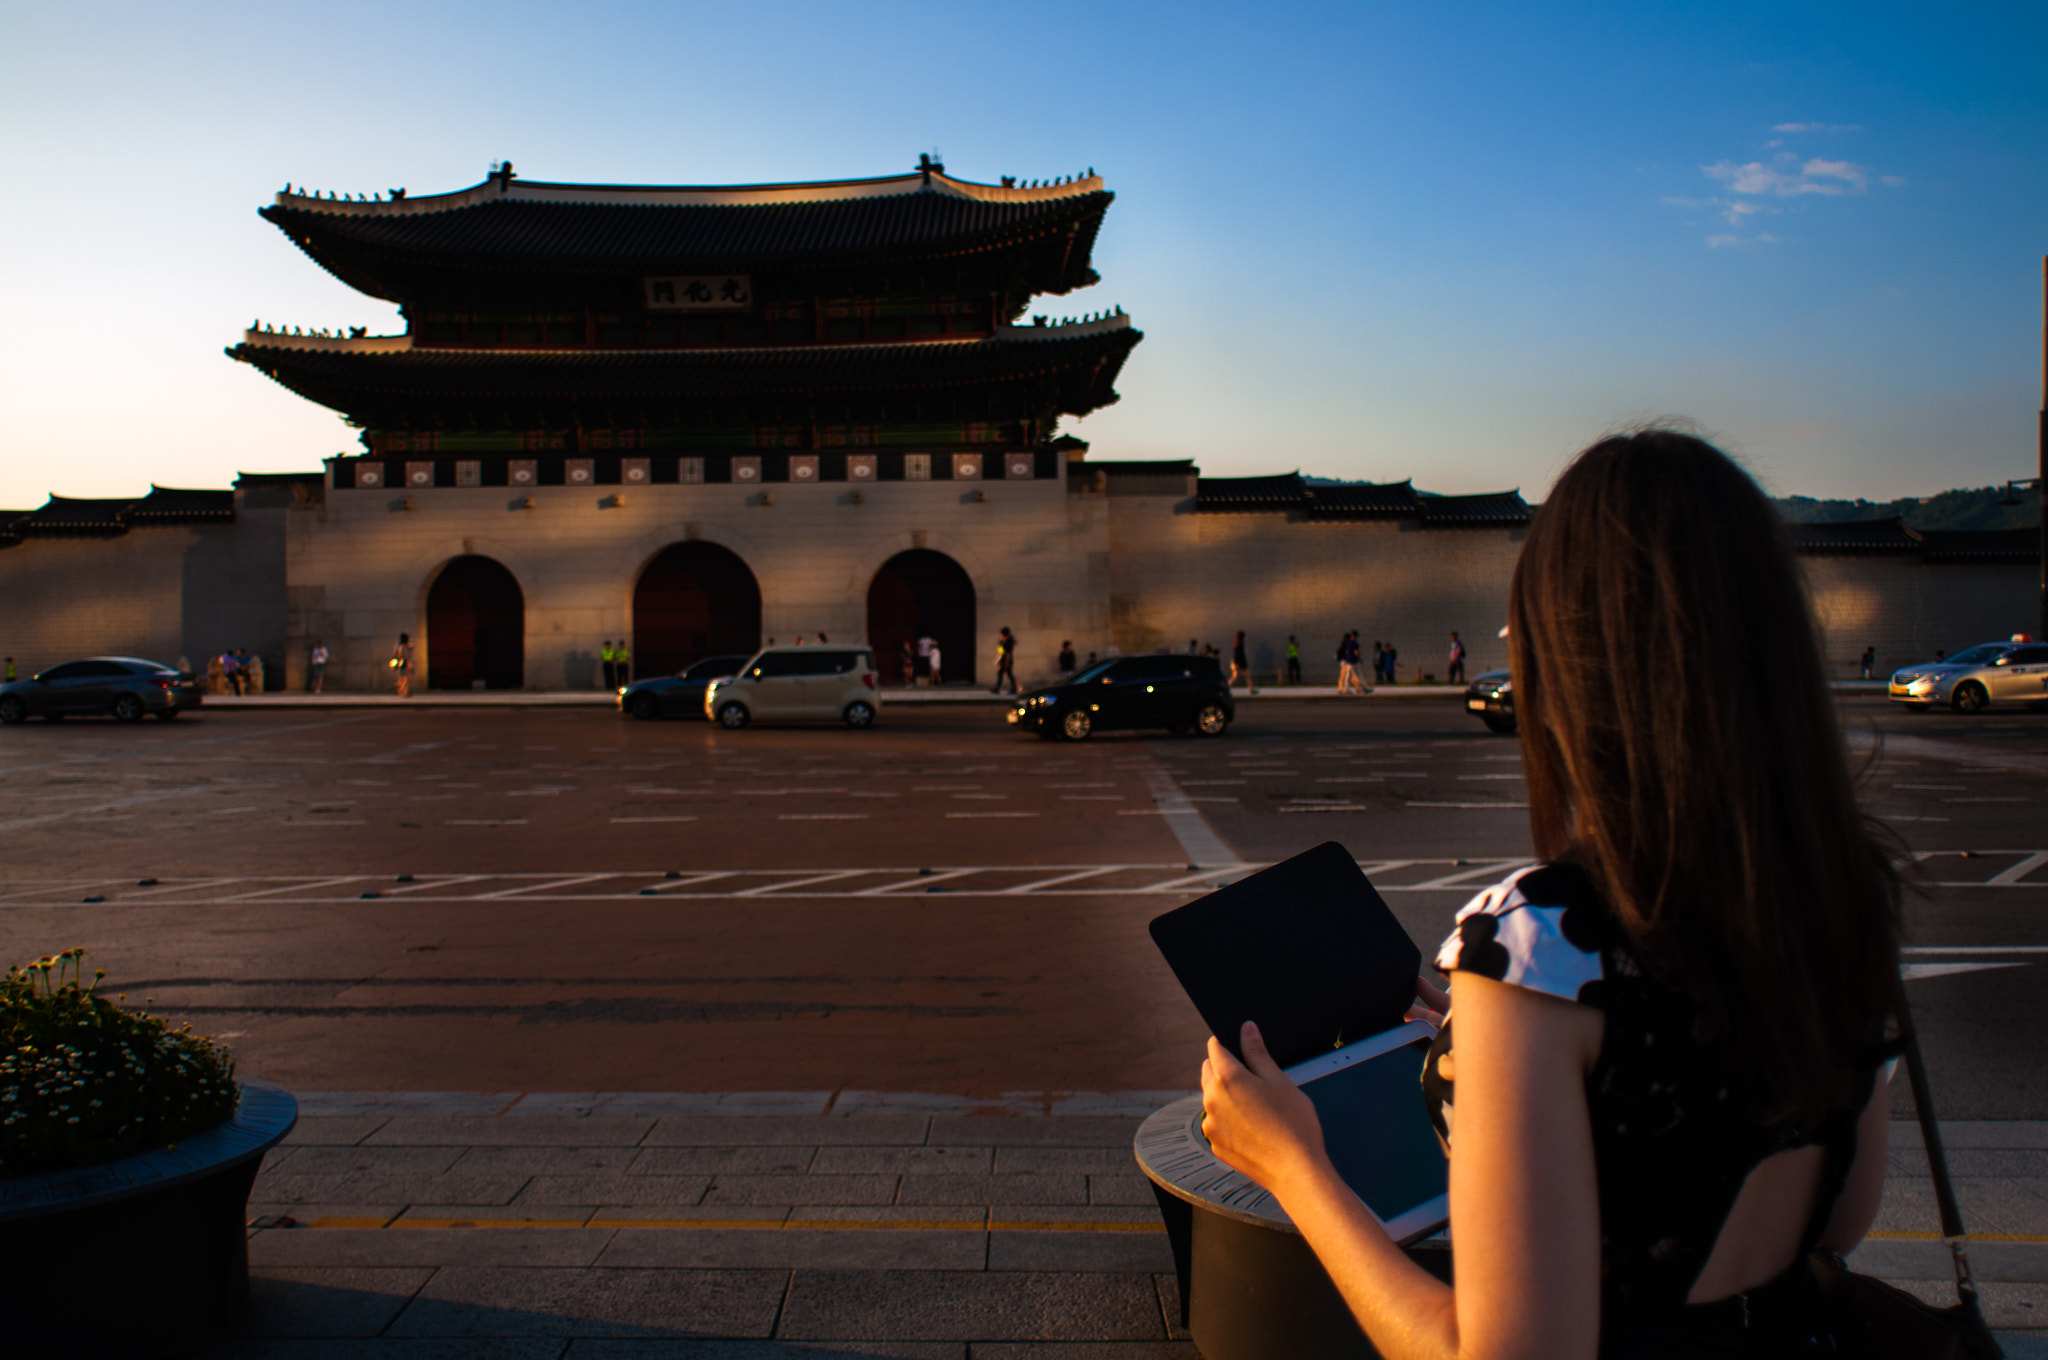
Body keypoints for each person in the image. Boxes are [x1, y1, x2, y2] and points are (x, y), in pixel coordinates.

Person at [1197, 429, 1901, 1359]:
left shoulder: (1542, 937)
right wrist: (1504, 1037)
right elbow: (1839, 1218)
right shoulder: (1844, 898)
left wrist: (1292, 1164)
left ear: (1565, 660)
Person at [992, 626, 1018, 695]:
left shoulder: (1009, 642)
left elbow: (1007, 654)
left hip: (1007, 661)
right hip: (1003, 660)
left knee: (1007, 674)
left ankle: (1013, 687)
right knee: (1004, 674)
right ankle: (1012, 687)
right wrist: (998, 661)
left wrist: (1006, 663)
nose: (1000, 635)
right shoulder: (1002, 641)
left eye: (1001, 634)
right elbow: (1000, 652)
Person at [390, 632, 414, 697]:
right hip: (405, 664)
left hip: (406, 664)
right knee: (407, 679)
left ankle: (401, 690)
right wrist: (410, 651)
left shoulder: (405, 646)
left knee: (404, 679)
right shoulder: (403, 647)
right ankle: (402, 691)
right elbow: (402, 656)